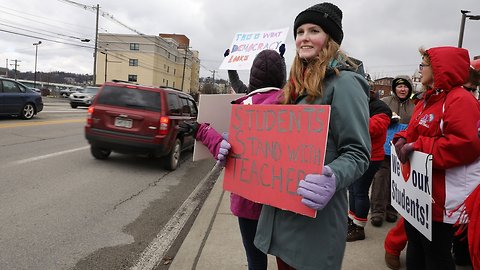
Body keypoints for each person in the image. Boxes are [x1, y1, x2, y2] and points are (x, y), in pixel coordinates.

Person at [253, 3, 371, 270]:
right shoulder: (295, 85)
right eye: (300, 31)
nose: (304, 37)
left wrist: (333, 175)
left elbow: (358, 152)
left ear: (330, 39)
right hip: (282, 214)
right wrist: (238, 145)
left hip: (314, 220)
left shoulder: (345, 83)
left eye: (314, 30)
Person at [185, 49, 287, 270]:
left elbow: (230, 149)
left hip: (248, 200)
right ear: (282, 76)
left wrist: (202, 132)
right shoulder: (296, 105)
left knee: (256, 261)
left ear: (253, 77)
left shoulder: (244, 105)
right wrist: (282, 60)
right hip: (283, 201)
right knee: (287, 260)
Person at [393, 46, 480, 270]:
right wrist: (402, 139)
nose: (420, 70)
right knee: (415, 246)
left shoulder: (460, 100)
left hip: (443, 197)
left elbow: (466, 145)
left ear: (441, 69)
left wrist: (416, 145)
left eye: (424, 64)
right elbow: (412, 132)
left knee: (436, 254)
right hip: (419, 194)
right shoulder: (426, 100)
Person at [370, 75, 415, 227]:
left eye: (406, 86)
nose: (403, 89)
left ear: (409, 89)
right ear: (394, 88)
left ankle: (392, 210)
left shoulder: (414, 106)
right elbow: (374, 119)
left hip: (402, 150)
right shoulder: (385, 102)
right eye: (399, 86)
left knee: (397, 180)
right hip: (384, 147)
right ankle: (377, 212)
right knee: (381, 179)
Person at [347, 89, 391, 241]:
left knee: (360, 191)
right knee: (352, 189)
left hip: (371, 157)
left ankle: (359, 227)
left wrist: (353, 118)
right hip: (356, 155)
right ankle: (352, 220)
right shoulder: (359, 105)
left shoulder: (381, 108)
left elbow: (373, 129)